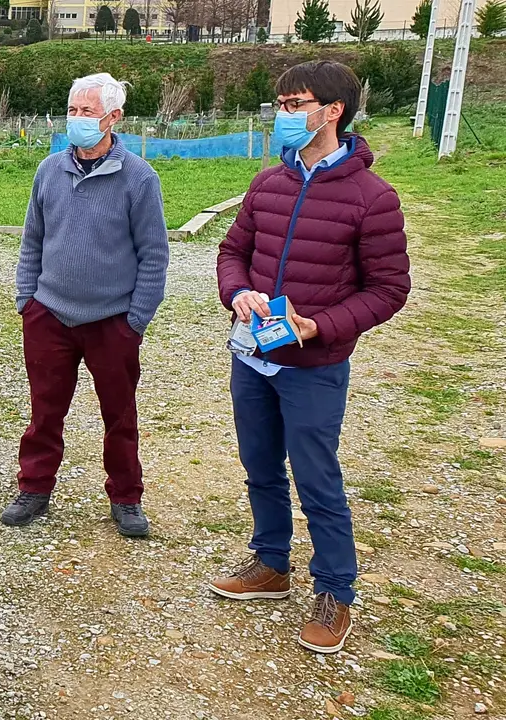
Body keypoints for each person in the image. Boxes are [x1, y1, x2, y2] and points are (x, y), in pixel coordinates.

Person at [210, 61, 409, 655]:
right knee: (260, 466)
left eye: (295, 103)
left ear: (332, 111)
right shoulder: (267, 183)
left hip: (314, 366)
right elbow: (232, 251)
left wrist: (320, 326)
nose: (284, 114)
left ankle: (335, 590)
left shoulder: (372, 197)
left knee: (317, 477)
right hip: (253, 357)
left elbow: (389, 290)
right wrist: (236, 293)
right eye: (280, 104)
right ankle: (271, 563)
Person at [1, 73, 169, 538]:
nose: (77, 119)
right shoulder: (49, 170)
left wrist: (136, 320)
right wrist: (27, 300)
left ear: (113, 117)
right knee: (44, 411)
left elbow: (154, 254)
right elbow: (32, 240)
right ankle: (34, 487)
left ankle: (126, 497)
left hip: (112, 320)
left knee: (119, 415)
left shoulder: (139, 178)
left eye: (87, 112)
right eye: (72, 110)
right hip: (49, 314)